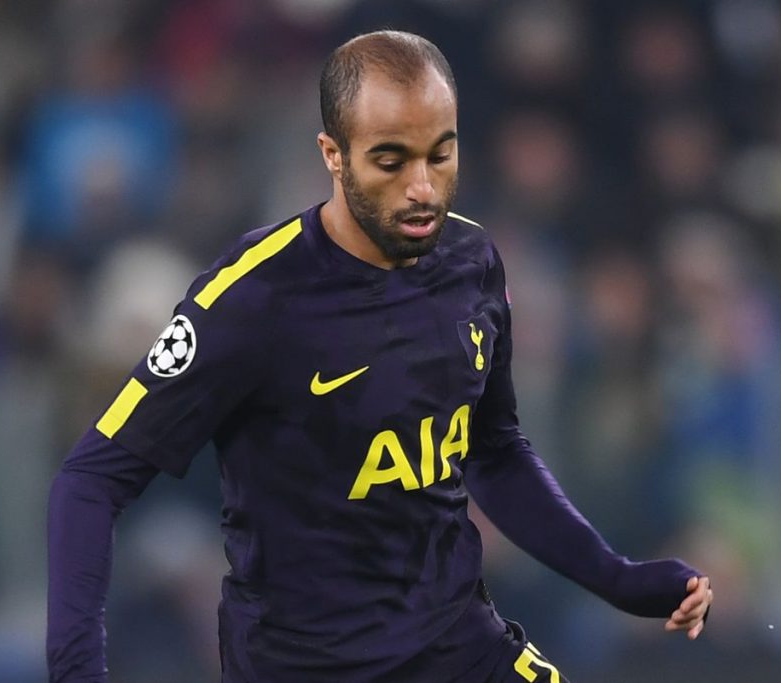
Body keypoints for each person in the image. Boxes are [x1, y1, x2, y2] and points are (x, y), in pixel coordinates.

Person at [46, 30, 713, 683]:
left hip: (456, 643)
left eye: (440, 155)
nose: (423, 187)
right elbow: (91, 478)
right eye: (392, 161)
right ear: (333, 155)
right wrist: (77, 668)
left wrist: (617, 578)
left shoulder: (472, 261)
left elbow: (493, 451)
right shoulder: (252, 298)